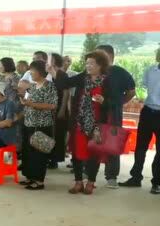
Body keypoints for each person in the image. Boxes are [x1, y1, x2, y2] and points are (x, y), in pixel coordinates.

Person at [49, 51, 116, 195]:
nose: (88, 66)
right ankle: (78, 182)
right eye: (87, 63)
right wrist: (54, 72)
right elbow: (65, 83)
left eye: (91, 63)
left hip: (97, 125)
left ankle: (91, 182)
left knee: (94, 154)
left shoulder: (107, 81)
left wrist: (103, 101)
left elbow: (114, 103)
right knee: (77, 153)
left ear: (100, 65)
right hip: (79, 122)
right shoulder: (82, 77)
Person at [119, 48, 160, 194]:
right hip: (148, 111)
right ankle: (135, 177)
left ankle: (157, 183)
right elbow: (147, 88)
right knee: (140, 147)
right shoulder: (151, 70)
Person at [95, 44, 136, 188]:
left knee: (112, 143)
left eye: (99, 54)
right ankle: (88, 172)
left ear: (110, 56)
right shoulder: (93, 70)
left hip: (113, 114)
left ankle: (111, 176)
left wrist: (119, 103)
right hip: (95, 113)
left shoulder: (121, 73)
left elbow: (131, 92)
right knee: (93, 141)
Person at [20, 61, 58, 190]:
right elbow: (27, 101)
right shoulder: (32, 86)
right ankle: (30, 177)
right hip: (28, 123)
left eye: (32, 71)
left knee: (39, 154)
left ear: (40, 72)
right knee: (28, 153)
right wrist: (24, 102)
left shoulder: (50, 86)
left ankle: (39, 180)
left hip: (42, 125)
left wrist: (32, 104)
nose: (30, 73)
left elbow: (53, 105)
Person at [49, 53, 70, 169]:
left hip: (59, 107)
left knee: (57, 133)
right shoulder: (47, 74)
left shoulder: (62, 75)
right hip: (48, 107)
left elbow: (66, 93)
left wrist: (62, 109)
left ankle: (54, 159)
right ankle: (49, 156)